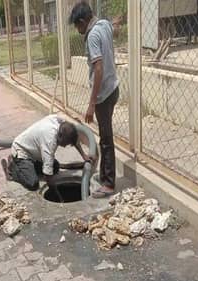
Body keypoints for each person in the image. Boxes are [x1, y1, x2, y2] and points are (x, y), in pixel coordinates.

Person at [70, 1, 120, 198]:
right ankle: (106, 176)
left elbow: (98, 68)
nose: (78, 30)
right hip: (114, 88)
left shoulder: (92, 35)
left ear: (83, 21)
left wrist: (91, 104)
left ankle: (109, 184)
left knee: (106, 139)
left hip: (103, 95)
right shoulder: (104, 25)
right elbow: (114, 28)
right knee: (104, 136)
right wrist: (116, 22)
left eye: (77, 25)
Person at [1, 115, 91, 191]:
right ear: (60, 137)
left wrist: (84, 155)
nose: (64, 146)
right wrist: (55, 192)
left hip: (34, 153)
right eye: (65, 143)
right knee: (32, 183)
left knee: (55, 167)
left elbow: (73, 137)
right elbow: (48, 176)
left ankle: (27, 168)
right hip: (22, 151)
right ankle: (13, 167)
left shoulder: (60, 122)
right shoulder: (50, 141)